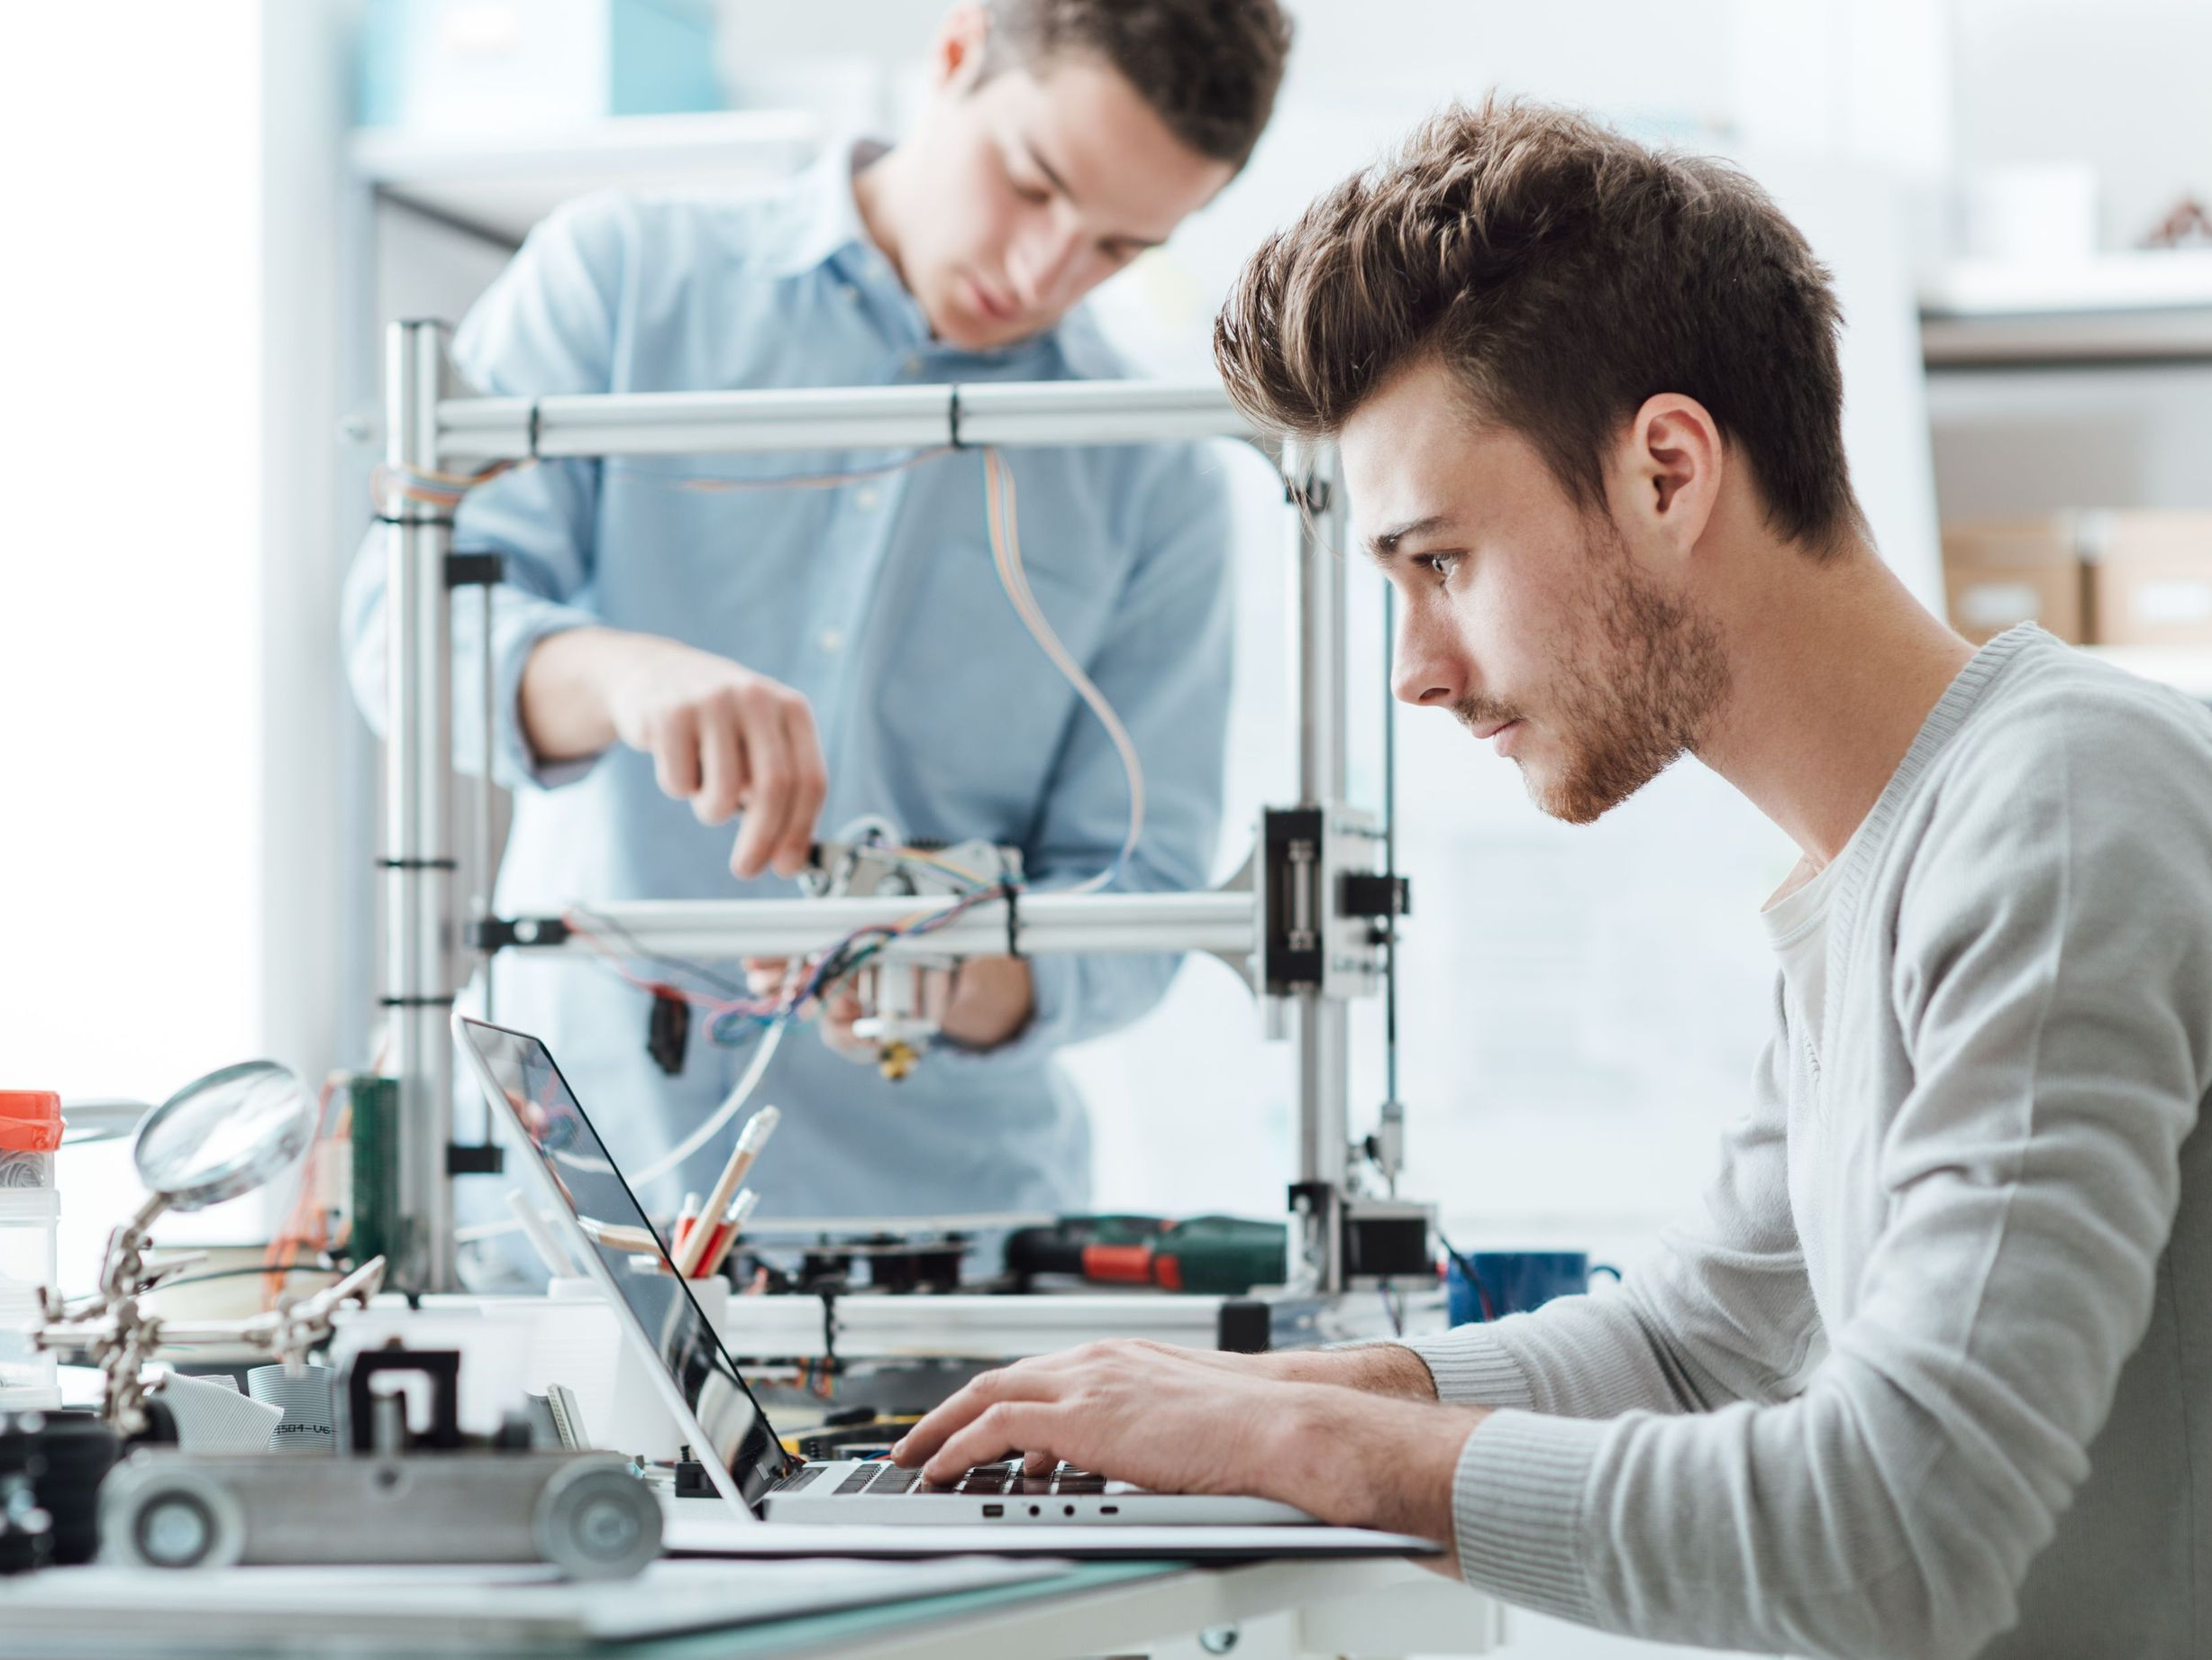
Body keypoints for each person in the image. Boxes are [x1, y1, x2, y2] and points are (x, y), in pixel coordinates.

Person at [895, 98, 2212, 1660]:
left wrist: (1314, 1454)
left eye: (1440, 562)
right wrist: (1270, 1394)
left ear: (1667, 471)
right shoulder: (1877, 855)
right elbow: (1699, 1340)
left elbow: (1903, 1534)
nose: (1416, 672)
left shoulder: (2060, 803)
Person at [341, 2, 1292, 1232]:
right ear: (955, 56)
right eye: (1032, 183)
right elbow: (399, 635)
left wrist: (950, 977)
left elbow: (1141, 896)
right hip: (569, 1205)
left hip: (941, 1259)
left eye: (1116, 247)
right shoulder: (621, 281)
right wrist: (620, 675)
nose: (1043, 271)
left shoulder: (1153, 471)